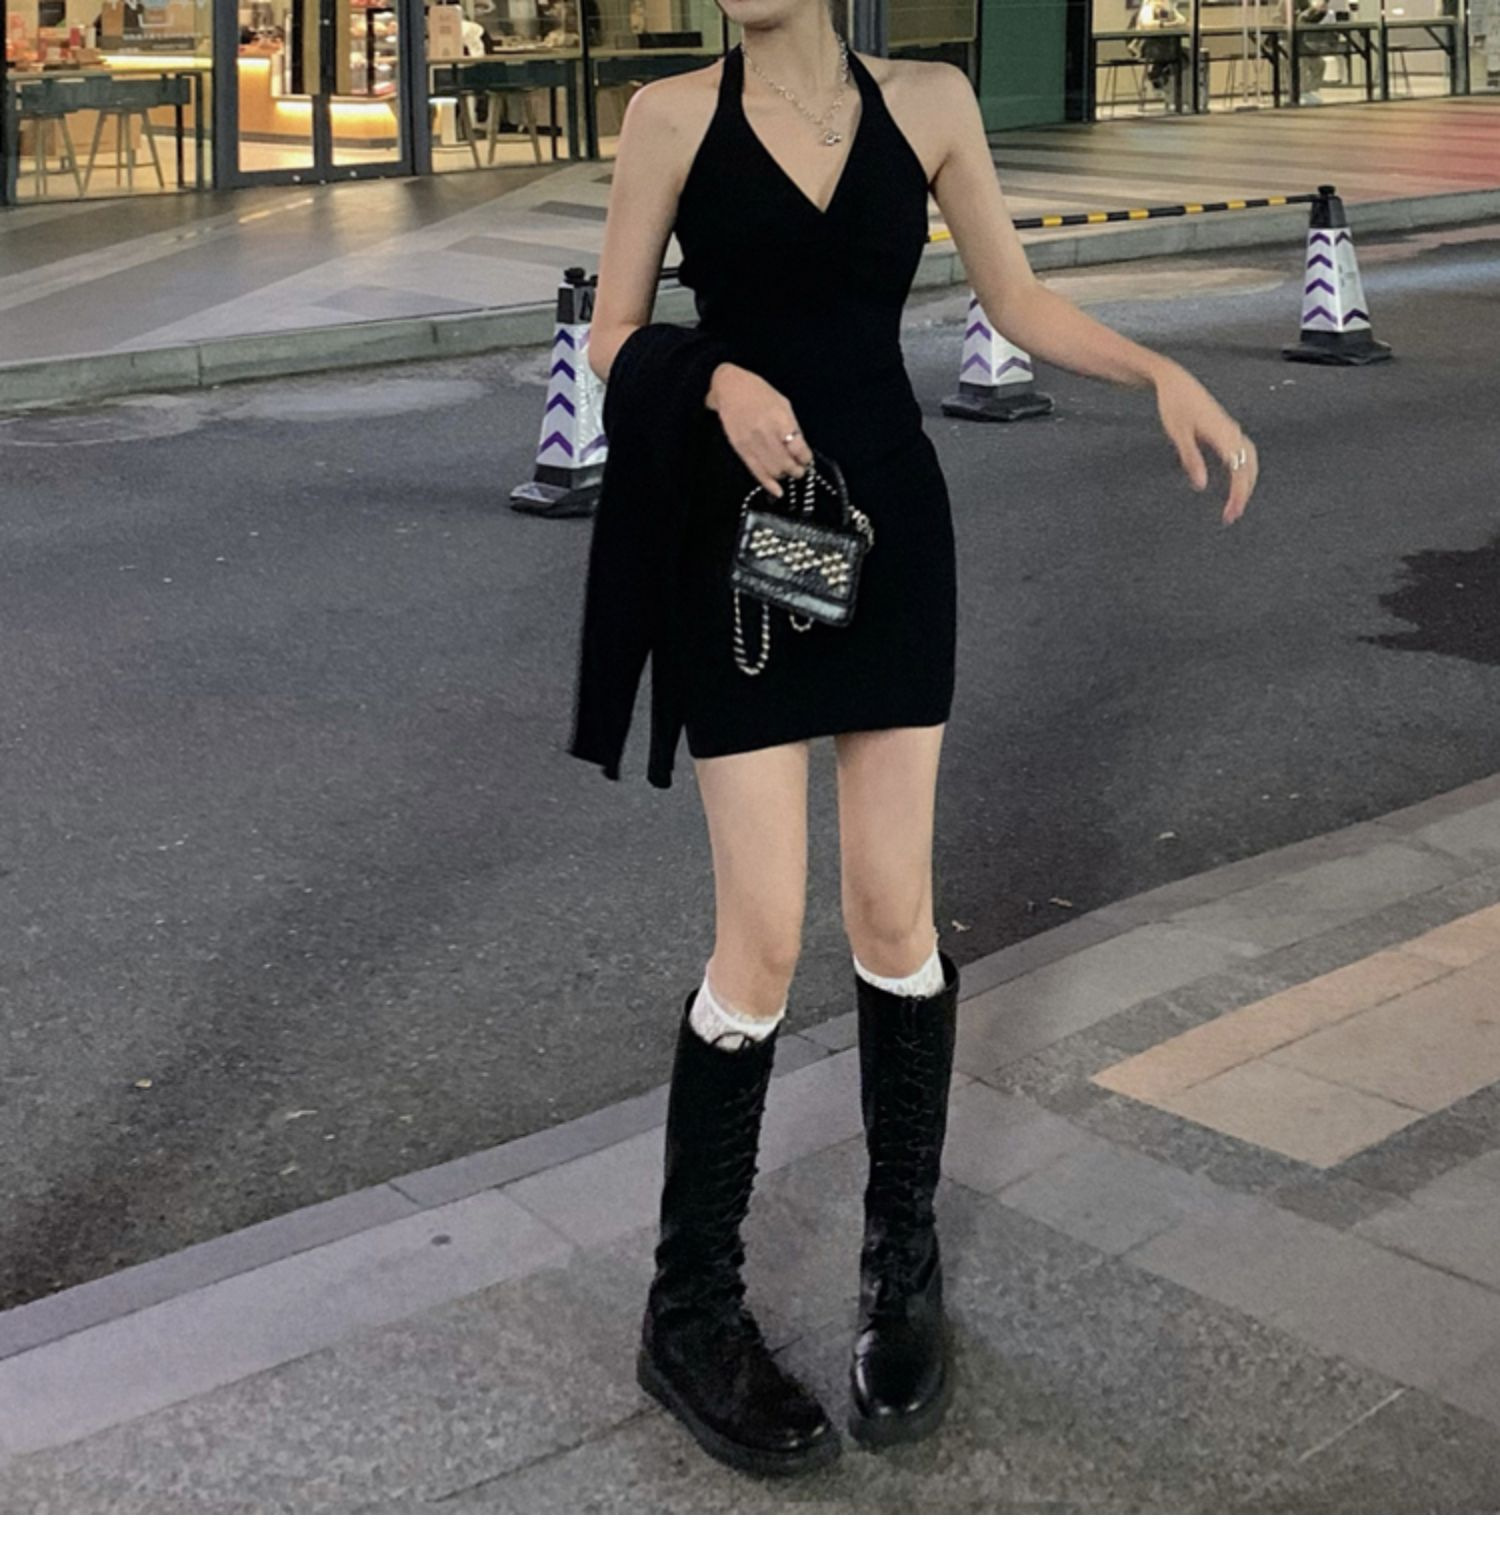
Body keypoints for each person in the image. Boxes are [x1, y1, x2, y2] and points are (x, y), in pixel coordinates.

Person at [574, 0, 1258, 1478]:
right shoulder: (669, 117)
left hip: (889, 537)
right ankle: (688, 1314)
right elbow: (610, 333)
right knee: (762, 938)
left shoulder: (932, 102)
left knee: (895, 917)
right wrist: (714, 377)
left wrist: (1160, 370)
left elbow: (1016, 300)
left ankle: (903, 1267)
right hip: (739, 553)